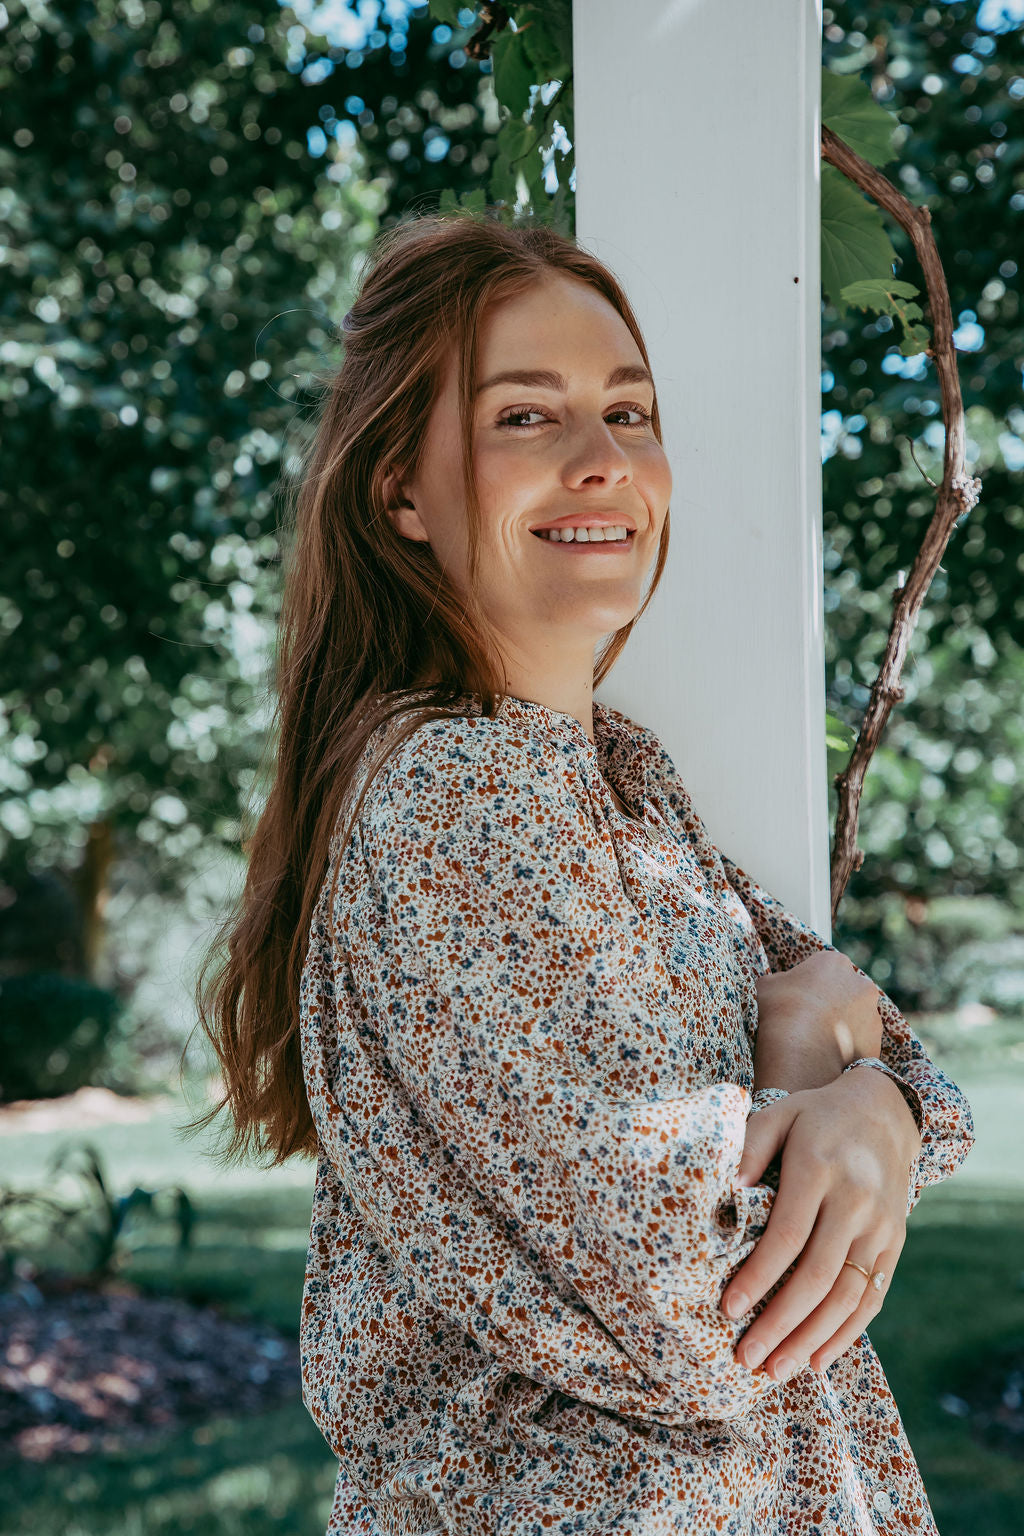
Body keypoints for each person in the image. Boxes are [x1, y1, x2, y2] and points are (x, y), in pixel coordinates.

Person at [190, 212, 976, 1535]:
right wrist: (807, 1078)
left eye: (629, 410)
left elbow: (901, 1063)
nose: (604, 460)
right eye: (524, 418)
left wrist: (880, 1112)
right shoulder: (442, 799)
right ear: (401, 490)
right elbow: (693, 1302)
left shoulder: (623, 780)